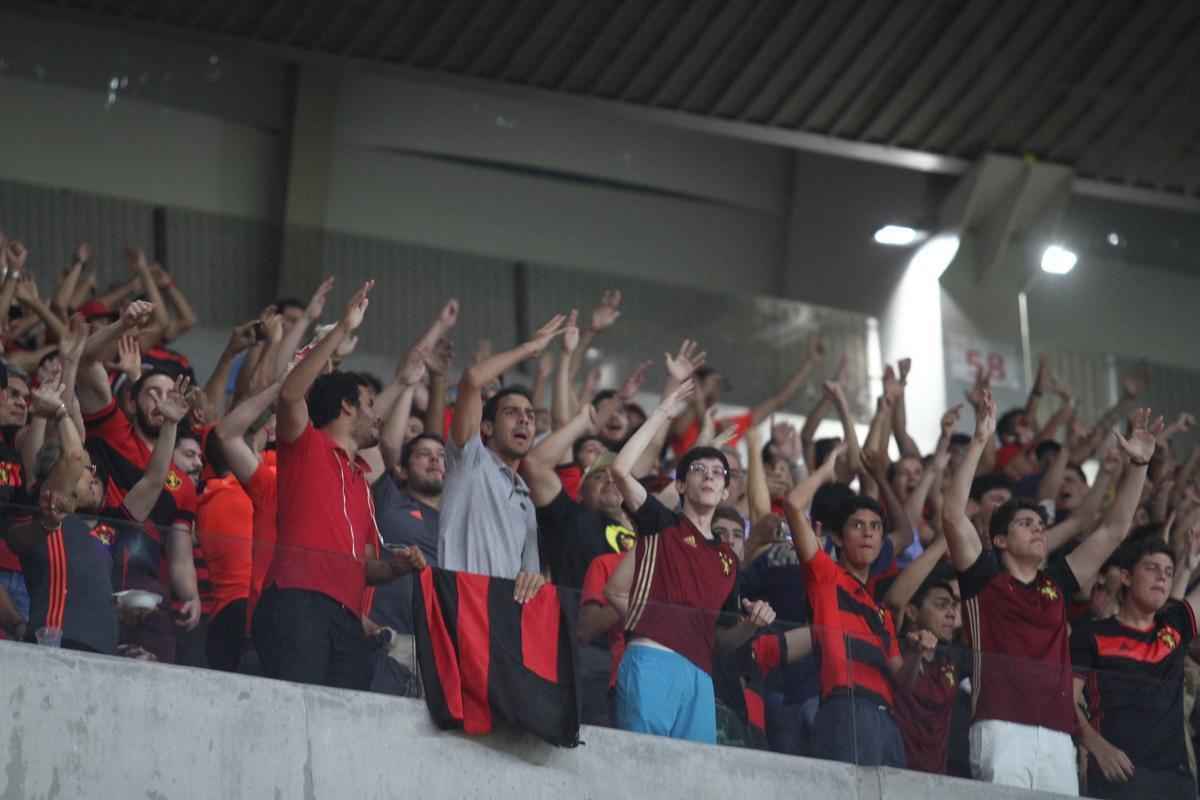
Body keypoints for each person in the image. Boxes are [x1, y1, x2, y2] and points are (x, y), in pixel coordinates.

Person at [942, 392, 1160, 794]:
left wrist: (1140, 465)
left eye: (1040, 523)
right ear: (1000, 541)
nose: (1039, 528)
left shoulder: (1056, 583)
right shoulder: (982, 577)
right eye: (1026, 523)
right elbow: (953, 514)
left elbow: (1113, 530)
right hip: (1000, 726)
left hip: (1059, 736)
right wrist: (979, 440)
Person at [252, 280, 425, 689]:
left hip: (347, 617)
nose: (377, 416)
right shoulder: (306, 445)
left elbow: (367, 568)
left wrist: (397, 567)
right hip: (296, 602)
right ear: (347, 406)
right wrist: (341, 329)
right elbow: (292, 393)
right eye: (369, 405)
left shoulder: (363, 483)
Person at [604, 379, 774, 744]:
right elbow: (620, 470)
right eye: (699, 470)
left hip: (701, 674)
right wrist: (663, 412)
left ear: (727, 492)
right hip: (652, 659)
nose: (710, 475)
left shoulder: (728, 556)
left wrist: (752, 624)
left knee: (694, 782)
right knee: (641, 773)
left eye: (718, 472)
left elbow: (722, 640)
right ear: (680, 486)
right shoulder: (660, 523)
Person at [5, 370, 189, 655]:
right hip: (55, 648)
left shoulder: (112, 525)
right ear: (57, 477)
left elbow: (153, 480)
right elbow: (75, 456)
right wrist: (61, 413)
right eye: (84, 474)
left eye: (95, 474)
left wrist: (170, 426)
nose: (94, 477)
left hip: (102, 653)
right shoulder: (52, 508)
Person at [782, 442, 923, 768]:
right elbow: (792, 504)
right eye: (857, 525)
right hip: (845, 710)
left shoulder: (882, 613)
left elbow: (903, 679)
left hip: (887, 720)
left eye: (875, 527)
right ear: (840, 538)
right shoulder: (825, 576)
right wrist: (826, 471)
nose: (868, 534)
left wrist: (915, 653)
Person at [76, 300, 203, 662]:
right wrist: (121, 325)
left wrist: (190, 596)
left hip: (148, 590)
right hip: (97, 567)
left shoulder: (183, 483)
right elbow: (86, 363)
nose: (162, 402)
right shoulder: (111, 426)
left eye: (169, 395)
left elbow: (179, 555)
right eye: (152, 393)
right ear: (131, 403)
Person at [438, 311, 569, 590]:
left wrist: (533, 580)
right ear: (485, 427)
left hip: (501, 618)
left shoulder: (527, 501)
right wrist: (528, 349)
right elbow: (473, 378)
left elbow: (530, 579)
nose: (524, 420)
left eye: (530, 416)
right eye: (512, 413)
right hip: (458, 603)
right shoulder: (470, 459)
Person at [1070, 534, 1200, 800]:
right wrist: (1097, 746)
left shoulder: (1174, 628)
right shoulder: (1091, 634)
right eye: (1151, 568)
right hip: (1118, 773)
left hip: (1175, 780)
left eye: (1168, 572)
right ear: (1127, 577)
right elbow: (1064, 700)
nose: (1162, 577)